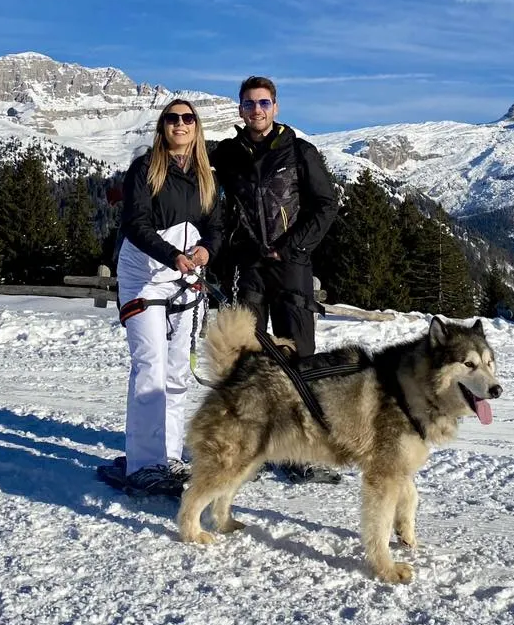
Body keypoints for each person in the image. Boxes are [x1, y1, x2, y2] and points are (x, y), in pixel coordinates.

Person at [211, 74, 339, 483]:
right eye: (249, 104)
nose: (256, 111)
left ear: (276, 107)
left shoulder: (300, 151)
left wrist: (294, 247)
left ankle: (301, 454)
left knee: (299, 354)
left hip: (291, 265)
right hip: (248, 265)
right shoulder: (229, 154)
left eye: (263, 103)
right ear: (240, 109)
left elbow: (325, 204)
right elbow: (207, 198)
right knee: (248, 356)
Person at [99, 98, 222, 497]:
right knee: (150, 366)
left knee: (176, 372)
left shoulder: (205, 177)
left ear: (197, 127)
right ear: (162, 126)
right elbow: (135, 223)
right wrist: (173, 256)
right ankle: (144, 464)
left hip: (185, 281)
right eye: (173, 118)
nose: (180, 124)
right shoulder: (145, 170)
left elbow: (217, 227)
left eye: (188, 118)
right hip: (144, 279)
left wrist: (206, 250)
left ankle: (168, 455)